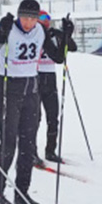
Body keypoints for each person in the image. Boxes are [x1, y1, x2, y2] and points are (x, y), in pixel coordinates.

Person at [0, 0, 74, 204]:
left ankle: (22, 193)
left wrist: (66, 35)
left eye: (32, 18)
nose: (28, 23)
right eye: (25, 18)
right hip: (8, 88)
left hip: (32, 88)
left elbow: (58, 58)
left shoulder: (40, 31)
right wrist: (0, 34)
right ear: (18, 16)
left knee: (28, 144)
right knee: (8, 144)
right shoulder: (9, 29)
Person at [33, 10, 77, 166]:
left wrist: (65, 34)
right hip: (36, 77)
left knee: (53, 117)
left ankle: (50, 150)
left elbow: (72, 47)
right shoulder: (34, 35)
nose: (45, 21)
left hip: (50, 78)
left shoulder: (53, 34)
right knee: (34, 118)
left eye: (47, 19)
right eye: (42, 18)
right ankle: (31, 151)